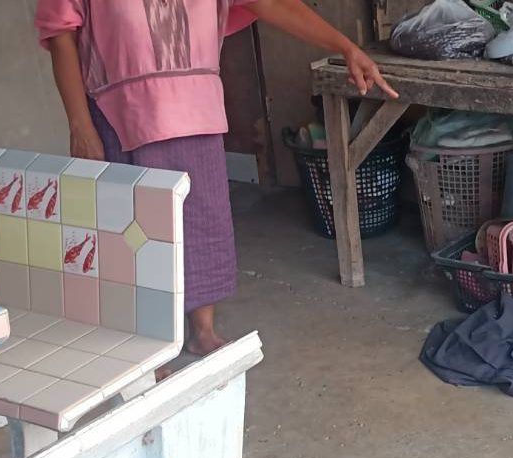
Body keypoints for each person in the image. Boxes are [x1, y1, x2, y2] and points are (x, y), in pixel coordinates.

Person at [36, 0, 396, 373]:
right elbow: (61, 32)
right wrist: (79, 124)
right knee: (132, 235)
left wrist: (345, 47)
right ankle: (146, 347)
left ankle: (202, 331)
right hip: (120, 112)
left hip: (196, 107)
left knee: (202, 220)